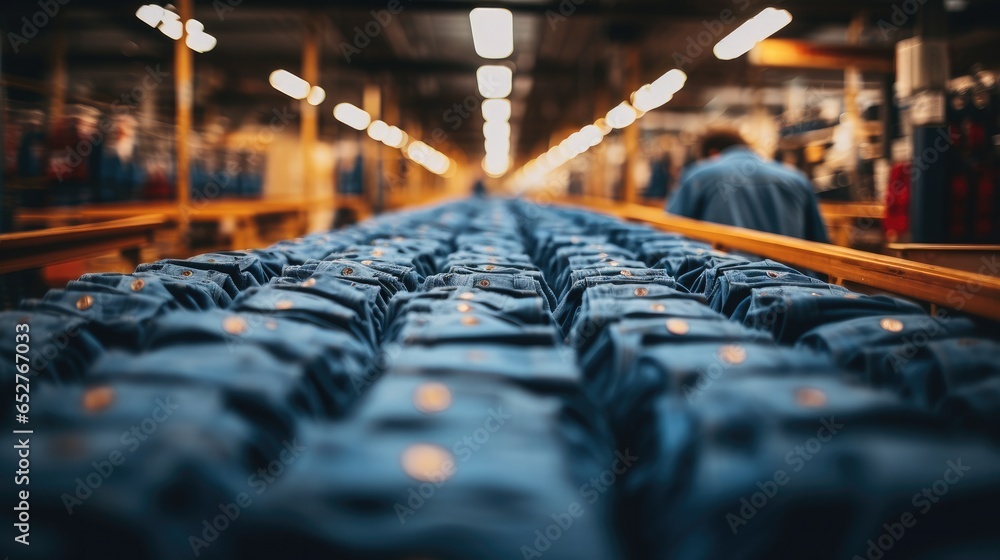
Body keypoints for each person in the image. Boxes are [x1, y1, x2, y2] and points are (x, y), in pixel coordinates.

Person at [667, 129, 829, 242]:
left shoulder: (699, 176)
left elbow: (671, 231)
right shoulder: (797, 179)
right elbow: (818, 239)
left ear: (713, 153)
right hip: (795, 284)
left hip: (724, 285)